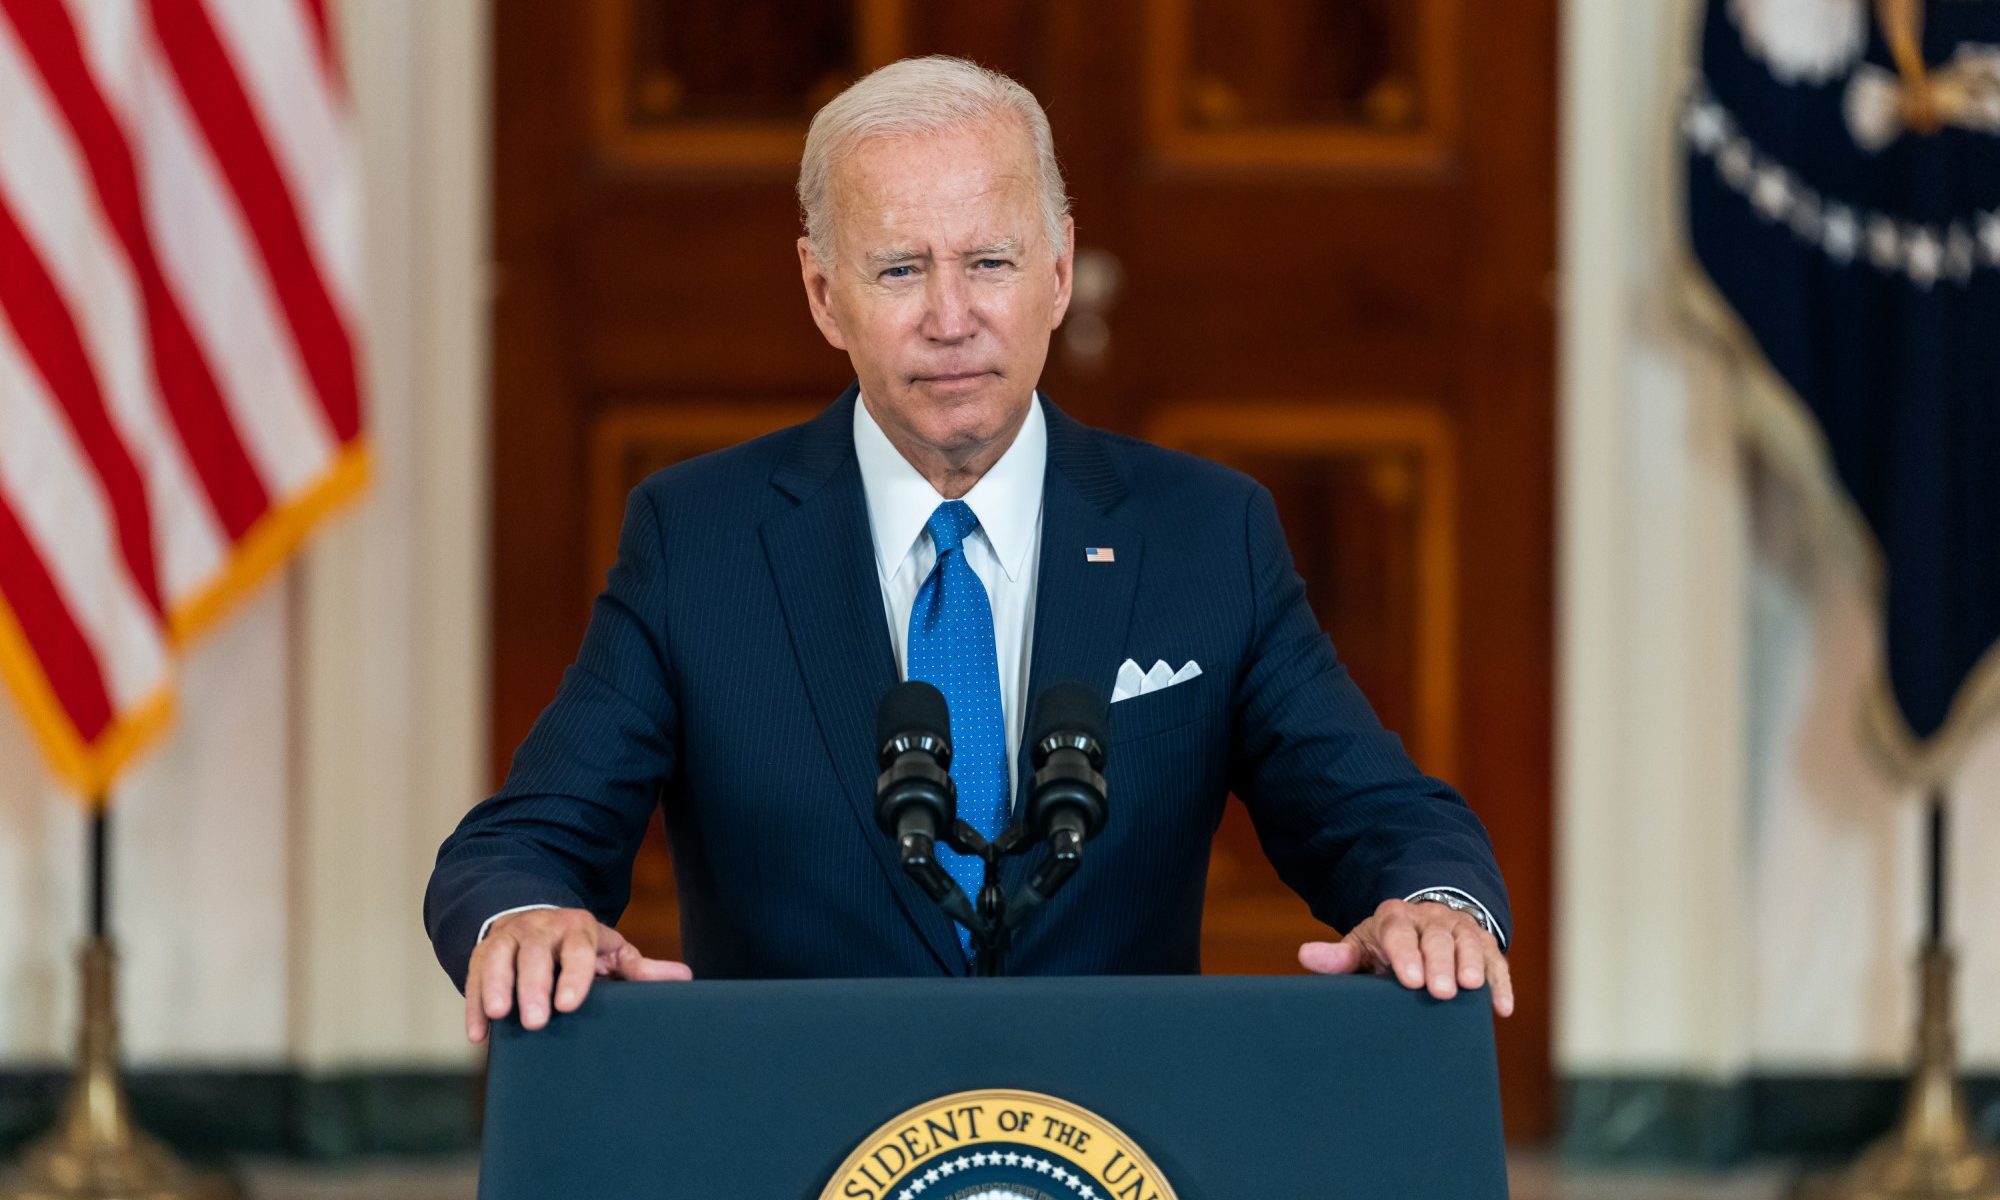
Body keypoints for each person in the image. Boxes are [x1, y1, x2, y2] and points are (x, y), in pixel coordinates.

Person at [426, 56, 1514, 1046]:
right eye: (899, 271)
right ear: (822, 294)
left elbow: (1379, 815)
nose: (951, 318)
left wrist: (1430, 908)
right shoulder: (698, 539)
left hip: (1108, 1130)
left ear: (1057, 268)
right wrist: (529, 921)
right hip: (808, 1128)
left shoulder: (1201, 532)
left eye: (988, 261)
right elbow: (525, 844)